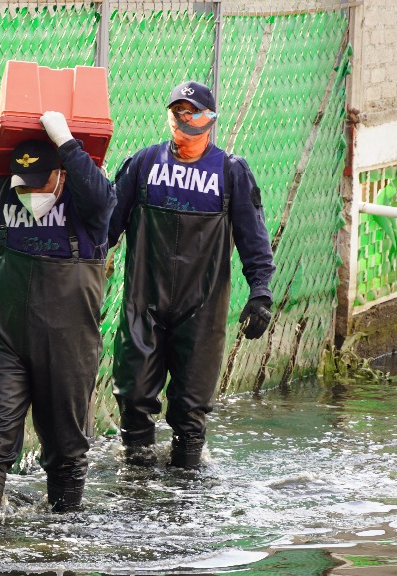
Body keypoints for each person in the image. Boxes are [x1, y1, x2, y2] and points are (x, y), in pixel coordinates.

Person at [0, 111, 116, 512]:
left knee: (65, 444)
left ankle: (61, 536)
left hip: (68, 345)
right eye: (25, 187)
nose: (31, 195)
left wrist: (66, 142)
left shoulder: (86, 206)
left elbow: (104, 196)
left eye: (41, 184)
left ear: (62, 173)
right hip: (6, 338)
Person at [108, 81, 276, 469]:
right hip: (142, 307)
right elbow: (106, 231)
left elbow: (254, 239)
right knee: (133, 401)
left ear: (209, 119)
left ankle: (186, 503)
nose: (183, 120)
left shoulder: (230, 172)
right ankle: (134, 492)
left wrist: (260, 294)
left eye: (192, 112)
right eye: (176, 112)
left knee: (190, 413)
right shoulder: (143, 164)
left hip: (201, 312)